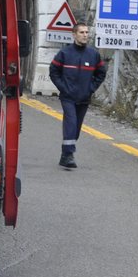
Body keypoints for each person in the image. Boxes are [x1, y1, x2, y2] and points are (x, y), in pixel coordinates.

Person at [49, 24, 108, 170]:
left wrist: (91, 88)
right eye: (82, 32)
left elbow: (101, 73)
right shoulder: (65, 53)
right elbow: (53, 71)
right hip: (68, 97)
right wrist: (63, 88)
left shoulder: (93, 54)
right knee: (71, 122)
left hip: (84, 97)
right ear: (74, 34)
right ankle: (69, 155)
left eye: (87, 32)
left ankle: (65, 155)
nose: (85, 35)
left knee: (76, 128)